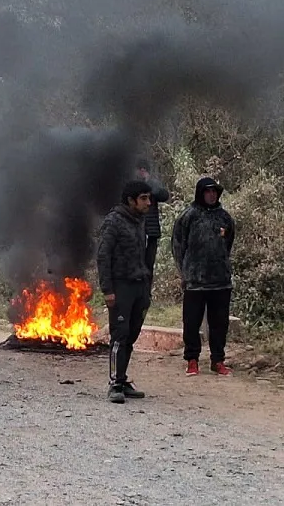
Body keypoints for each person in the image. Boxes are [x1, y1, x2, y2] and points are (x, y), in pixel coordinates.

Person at [172, 177, 235, 376]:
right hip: (195, 281)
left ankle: (218, 360)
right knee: (191, 322)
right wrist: (185, 272)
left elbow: (228, 244)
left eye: (214, 191)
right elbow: (177, 246)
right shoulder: (188, 217)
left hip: (220, 281)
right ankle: (192, 359)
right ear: (200, 193)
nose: (212, 194)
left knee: (220, 323)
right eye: (208, 191)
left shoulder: (225, 218)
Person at [98, 180, 153, 403]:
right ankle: (115, 384)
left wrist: (147, 285)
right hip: (121, 287)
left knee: (131, 336)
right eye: (143, 198)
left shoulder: (140, 221)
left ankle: (123, 378)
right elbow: (103, 256)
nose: (148, 203)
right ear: (131, 200)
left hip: (140, 286)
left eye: (149, 198)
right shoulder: (114, 222)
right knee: (119, 336)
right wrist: (108, 290)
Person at [135, 159, 170, 275]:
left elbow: (164, 196)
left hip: (151, 231)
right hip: (136, 230)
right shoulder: (133, 185)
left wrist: (149, 183)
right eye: (140, 170)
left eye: (143, 170)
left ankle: (147, 291)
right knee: (137, 264)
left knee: (149, 265)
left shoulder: (153, 184)